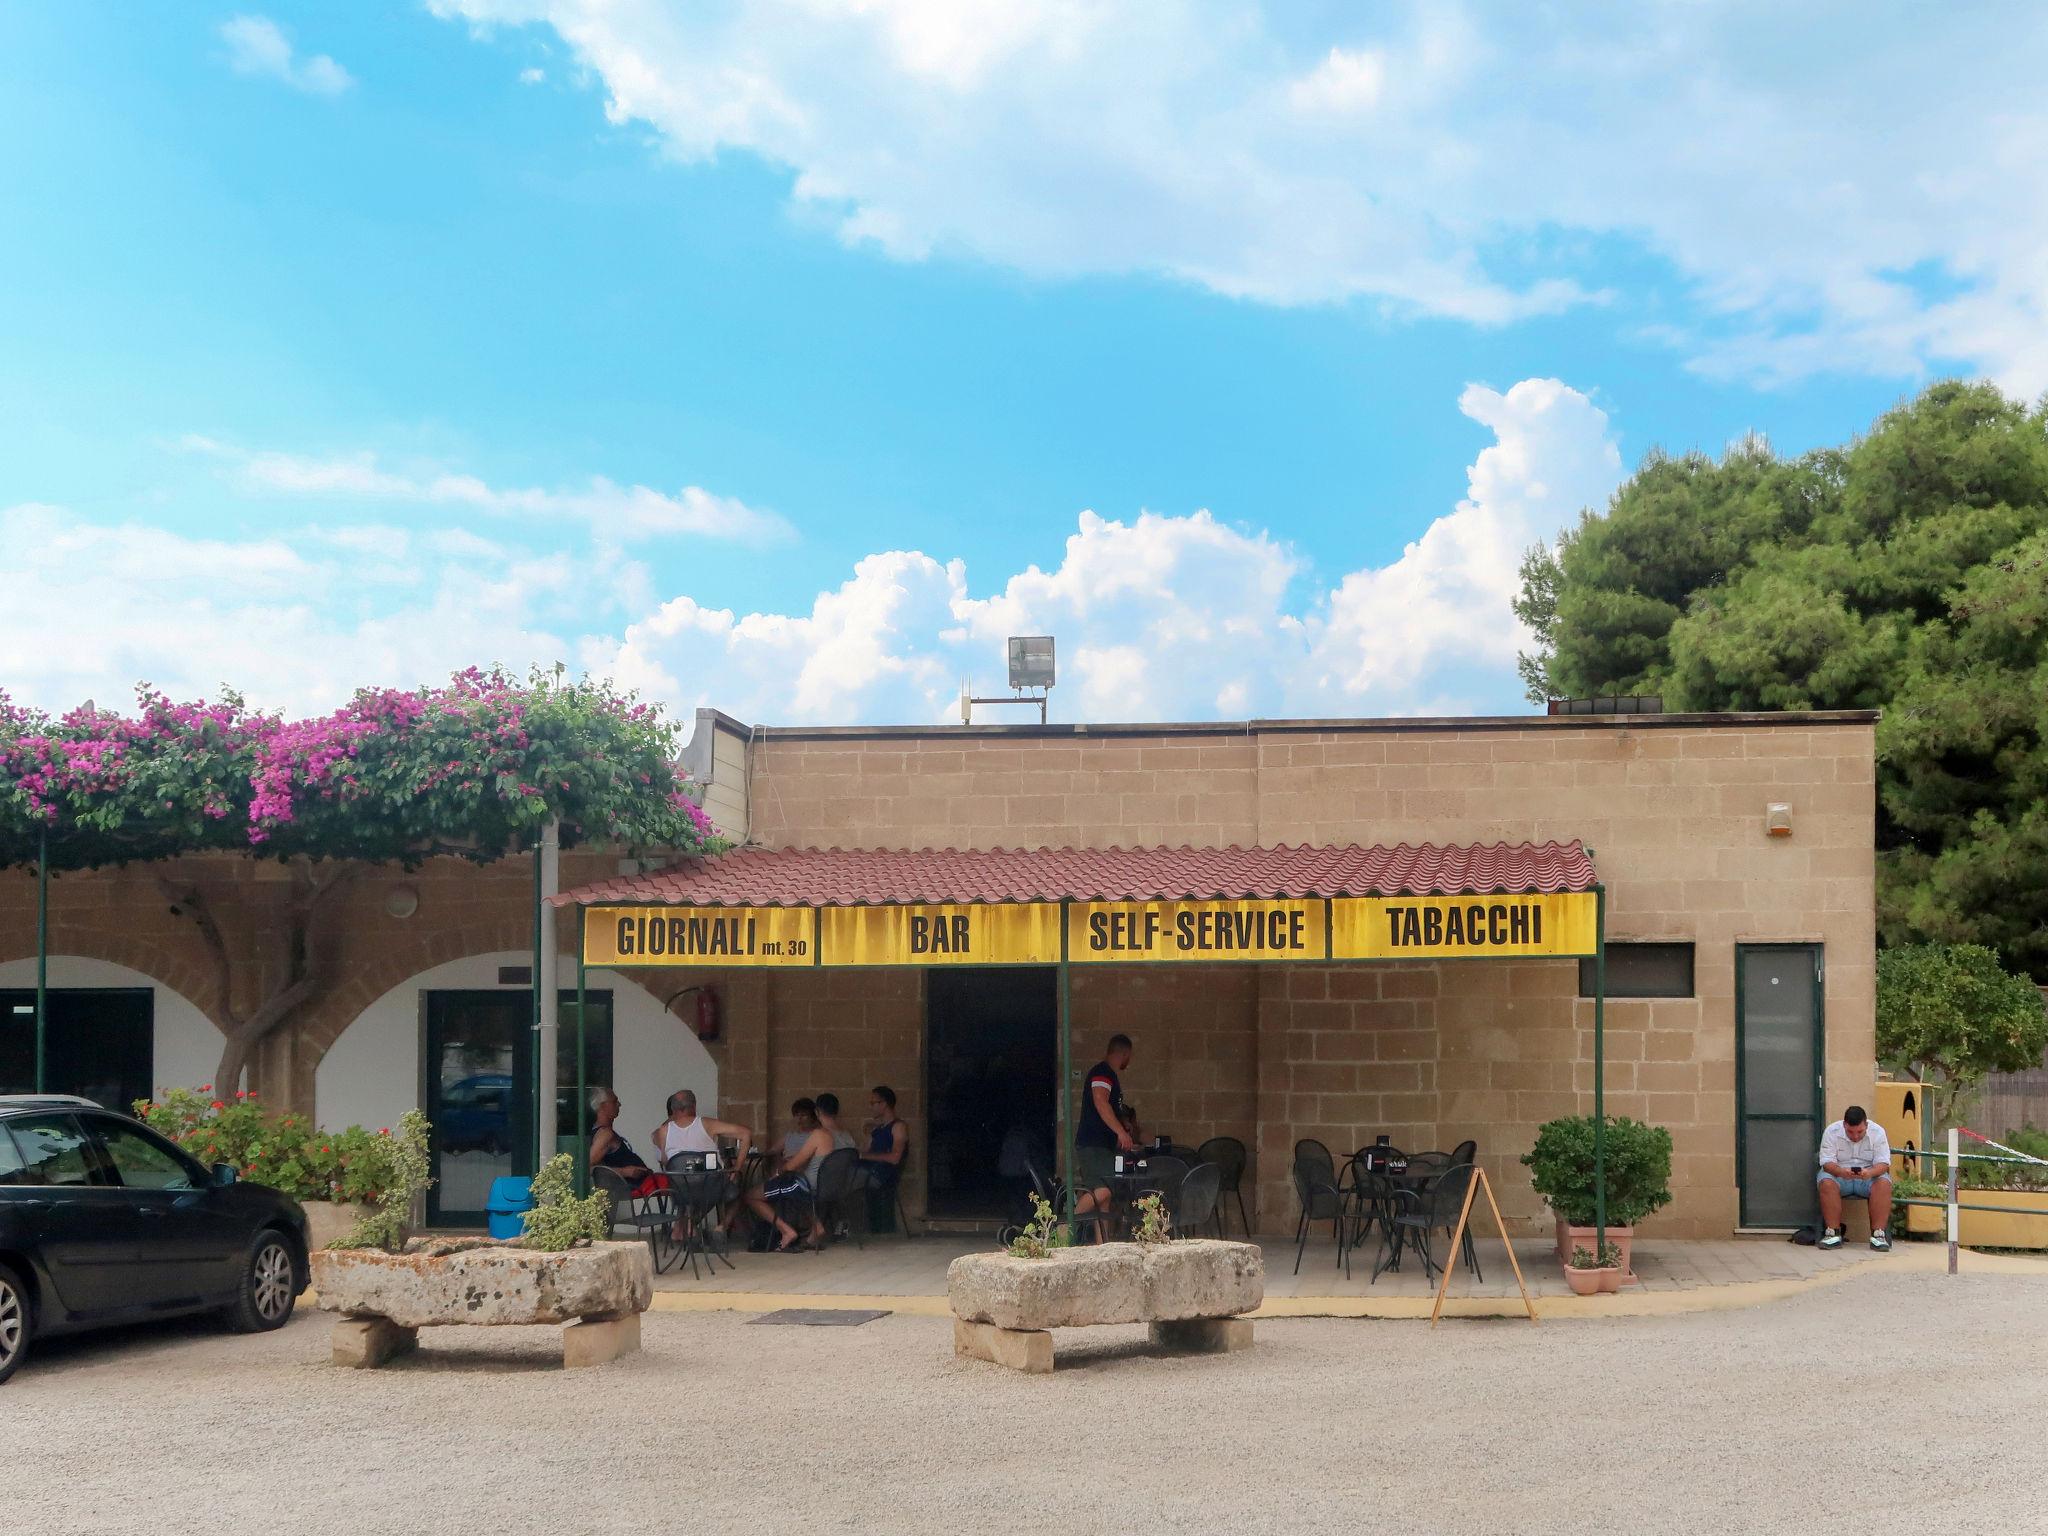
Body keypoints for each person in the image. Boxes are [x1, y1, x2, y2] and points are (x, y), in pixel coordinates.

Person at [744, 1098, 830, 1251]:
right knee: (793, 1195)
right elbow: (775, 1152)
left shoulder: (817, 1135)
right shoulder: (828, 1136)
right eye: (797, 1115)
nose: (800, 1119)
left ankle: (787, 1231)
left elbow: (793, 1164)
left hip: (802, 1183)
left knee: (751, 1196)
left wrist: (776, 1174)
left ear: (816, 1114)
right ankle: (817, 1228)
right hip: (817, 1184)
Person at [1072, 1035, 1135, 1237]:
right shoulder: (1102, 1072)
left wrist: (1122, 1123)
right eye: (1129, 1056)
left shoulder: (1109, 1075)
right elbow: (1100, 1101)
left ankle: (1103, 1245)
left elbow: (1110, 1107)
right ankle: (1064, 1226)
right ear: (1124, 1053)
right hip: (1093, 1144)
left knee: (1105, 1201)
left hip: (1102, 1145)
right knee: (1104, 1189)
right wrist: (1120, 1132)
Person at [1817, 1104, 1893, 1251]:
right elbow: (1826, 1163)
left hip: (1868, 1177)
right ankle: (1833, 1233)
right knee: (1825, 1181)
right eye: (1850, 1132)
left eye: (1860, 1131)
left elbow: (1883, 1163)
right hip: (1839, 1176)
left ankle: (1878, 1235)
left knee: (1884, 1183)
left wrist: (1870, 1173)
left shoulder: (1878, 1132)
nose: (1855, 1136)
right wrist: (1841, 1172)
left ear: (1867, 1124)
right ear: (1844, 1125)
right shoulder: (1831, 1131)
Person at [587, 1087, 659, 1197]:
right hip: (633, 1185)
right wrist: (624, 1172)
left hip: (637, 1183)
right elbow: (587, 1166)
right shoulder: (605, 1134)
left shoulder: (603, 1132)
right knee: (672, 1183)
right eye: (614, 1101)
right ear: (603, 1106)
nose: (619, 1104)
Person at [858, 1085, 908, 1233]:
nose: (871, 1107)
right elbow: (863, 1149)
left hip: (882, 1174)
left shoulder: (898, 1126)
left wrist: (865, 1156)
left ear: (884, 1104)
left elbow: (895, 1157)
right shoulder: (878, 1130)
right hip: (869, 1172)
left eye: (874, 1103)